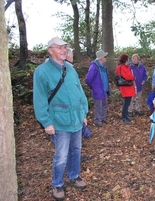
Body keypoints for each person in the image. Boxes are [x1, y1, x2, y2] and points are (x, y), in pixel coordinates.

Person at [33, 37, 88, 200]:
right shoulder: (41, 72)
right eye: (59, 47)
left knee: (76, 150)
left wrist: (84, 112)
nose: (63, 50)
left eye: (64, 47)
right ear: (50, 50)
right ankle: (57, 184)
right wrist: (46, 121)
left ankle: (73, 176)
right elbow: (40, 99)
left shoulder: (71, 69)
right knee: (61, 155)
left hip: (76, 119)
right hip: (59, 122)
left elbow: (80, 92)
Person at [85, 49, 110, 127]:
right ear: (101, 58)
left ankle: (103, 118)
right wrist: (94, 87)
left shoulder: (104, 66)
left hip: (104, 89)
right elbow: (88, 79)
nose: (106, 58)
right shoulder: (94, 66)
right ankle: (97, 120)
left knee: (104, 104)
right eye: (105, 56)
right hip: (98, 90)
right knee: (98, 106)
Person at [116, 54, 136, 125]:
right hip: (126, 87)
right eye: (128, 59)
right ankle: (124, 117)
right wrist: (133, 77)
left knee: (127, 102)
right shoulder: (122, 67)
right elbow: (128, 76)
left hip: (125, 87)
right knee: (126, 103)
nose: (129, 61)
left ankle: (126, 116)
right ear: (125, 60)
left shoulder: (122, 67)